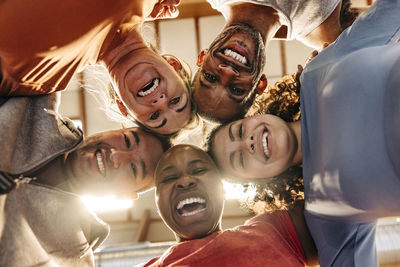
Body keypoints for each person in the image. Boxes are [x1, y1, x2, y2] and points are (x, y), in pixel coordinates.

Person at [207, 0, 400, 265]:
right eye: (240, 159)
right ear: (259, 181)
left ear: (255, 115)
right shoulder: (325, 211)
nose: (248, 142)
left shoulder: (317, 73)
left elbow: (392, 12)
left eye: (239, 131)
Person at [0, 93, 171, 265]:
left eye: (133, 169)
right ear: (116, 129)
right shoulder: (36, 100)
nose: (117, 156)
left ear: (125, 196)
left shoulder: (70, 257)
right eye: (126, 140)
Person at [0, 0, 194, 135]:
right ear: (175, 66)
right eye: (176, 101)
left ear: (123, 107)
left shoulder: (39, 80)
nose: (160, 102)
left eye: (154, 116)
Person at [141, 144, 318, 267]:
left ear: (222, 189)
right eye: (169, 178)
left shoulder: (274, 229)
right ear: (158, 203)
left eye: (199, 170)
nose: (185, 181)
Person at [193, 0, 358, 122]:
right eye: (236, 89)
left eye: (211, 77)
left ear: (202, 57)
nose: (228, 72)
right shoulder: (322, 28)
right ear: (259, 84)